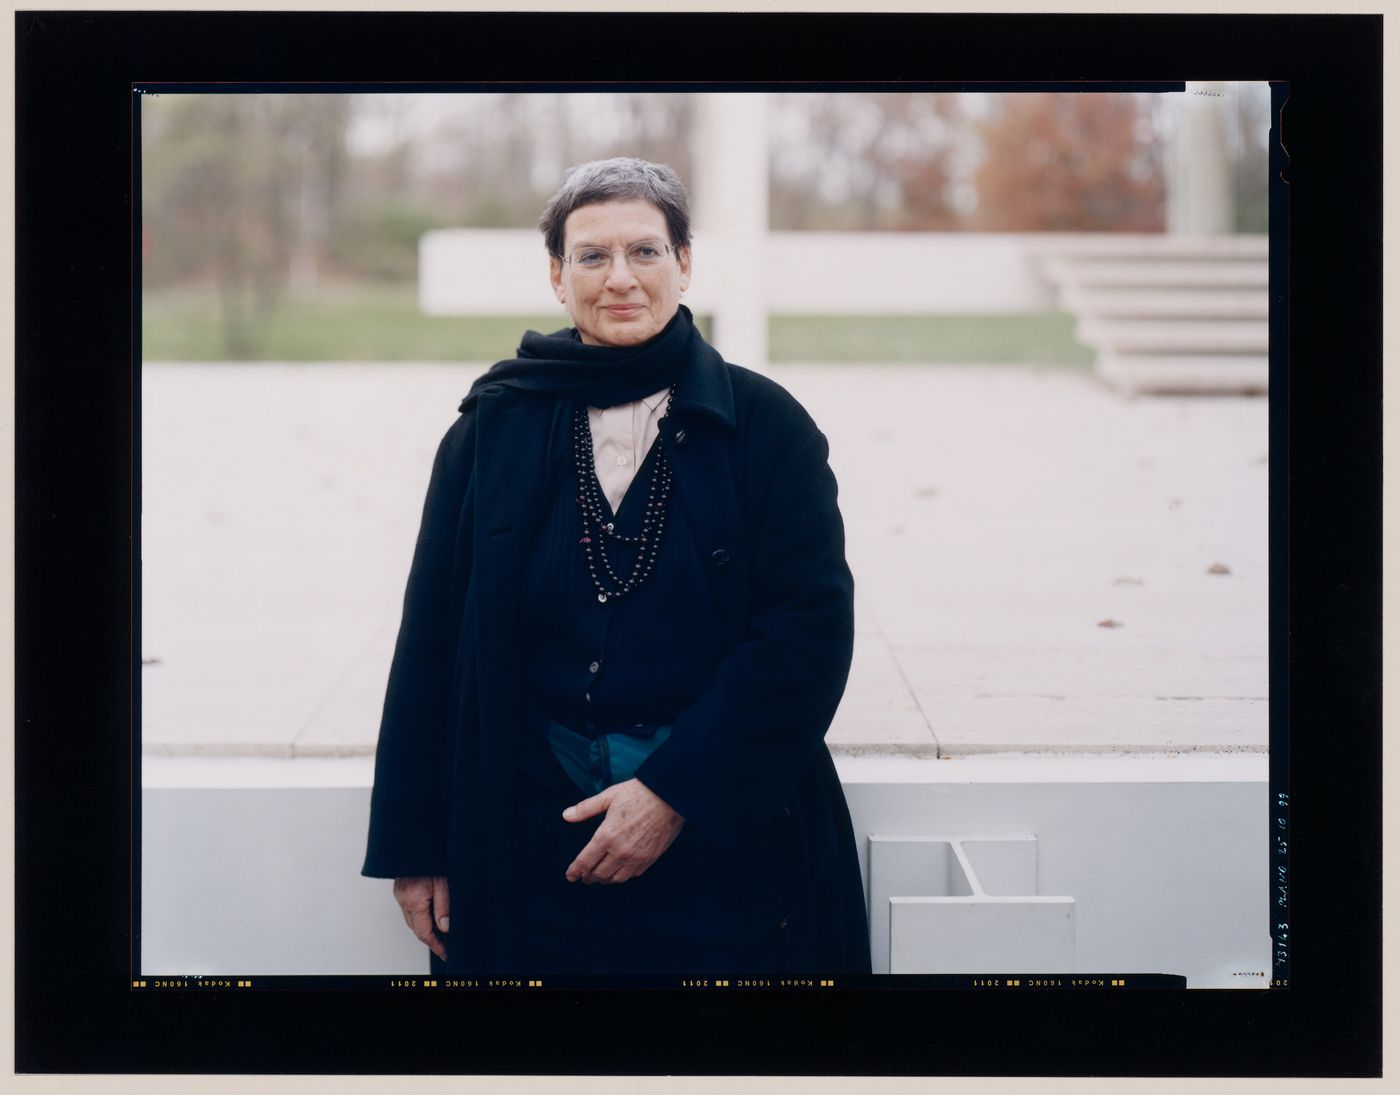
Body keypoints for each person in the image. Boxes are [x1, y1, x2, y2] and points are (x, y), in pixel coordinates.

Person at [362, 156, 870, 977]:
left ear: (685, 264)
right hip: (527, 848)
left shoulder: (769, 428)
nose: (620, 278)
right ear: (558, 277)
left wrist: (674, 792)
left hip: (725, 846)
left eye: (645, 251)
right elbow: (430, 643)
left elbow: (806, 638)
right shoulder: (490, 429)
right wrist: (414, 844)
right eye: (592, 256)